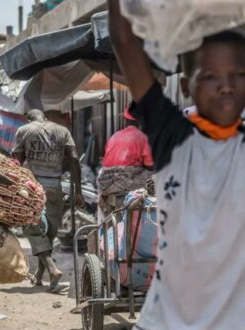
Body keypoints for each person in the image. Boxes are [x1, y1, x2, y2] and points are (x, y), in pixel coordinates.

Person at [109, 1, 245, 330]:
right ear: (186, 86)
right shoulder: (174, 138)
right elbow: (124, 41)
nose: (225, 85)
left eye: (238, 74)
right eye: (210, 76)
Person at [13, 109, 84, 289]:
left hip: (33, 186)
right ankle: (39, 276)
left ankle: (52, 269)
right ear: (45, 117)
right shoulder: (62, 131)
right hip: (56, 185)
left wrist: (14, 186)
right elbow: (75, 159)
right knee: (50, 231)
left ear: (28, 119)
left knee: (32, 227)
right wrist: (78, 191)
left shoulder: (24, 130)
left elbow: (16, 162)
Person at [97, 108, 154, 218]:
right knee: (154, 176)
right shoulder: (142, 137)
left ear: (125, 121)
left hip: (105, 181)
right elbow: (150, 165)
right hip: (123, 182)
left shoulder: (114, 136)